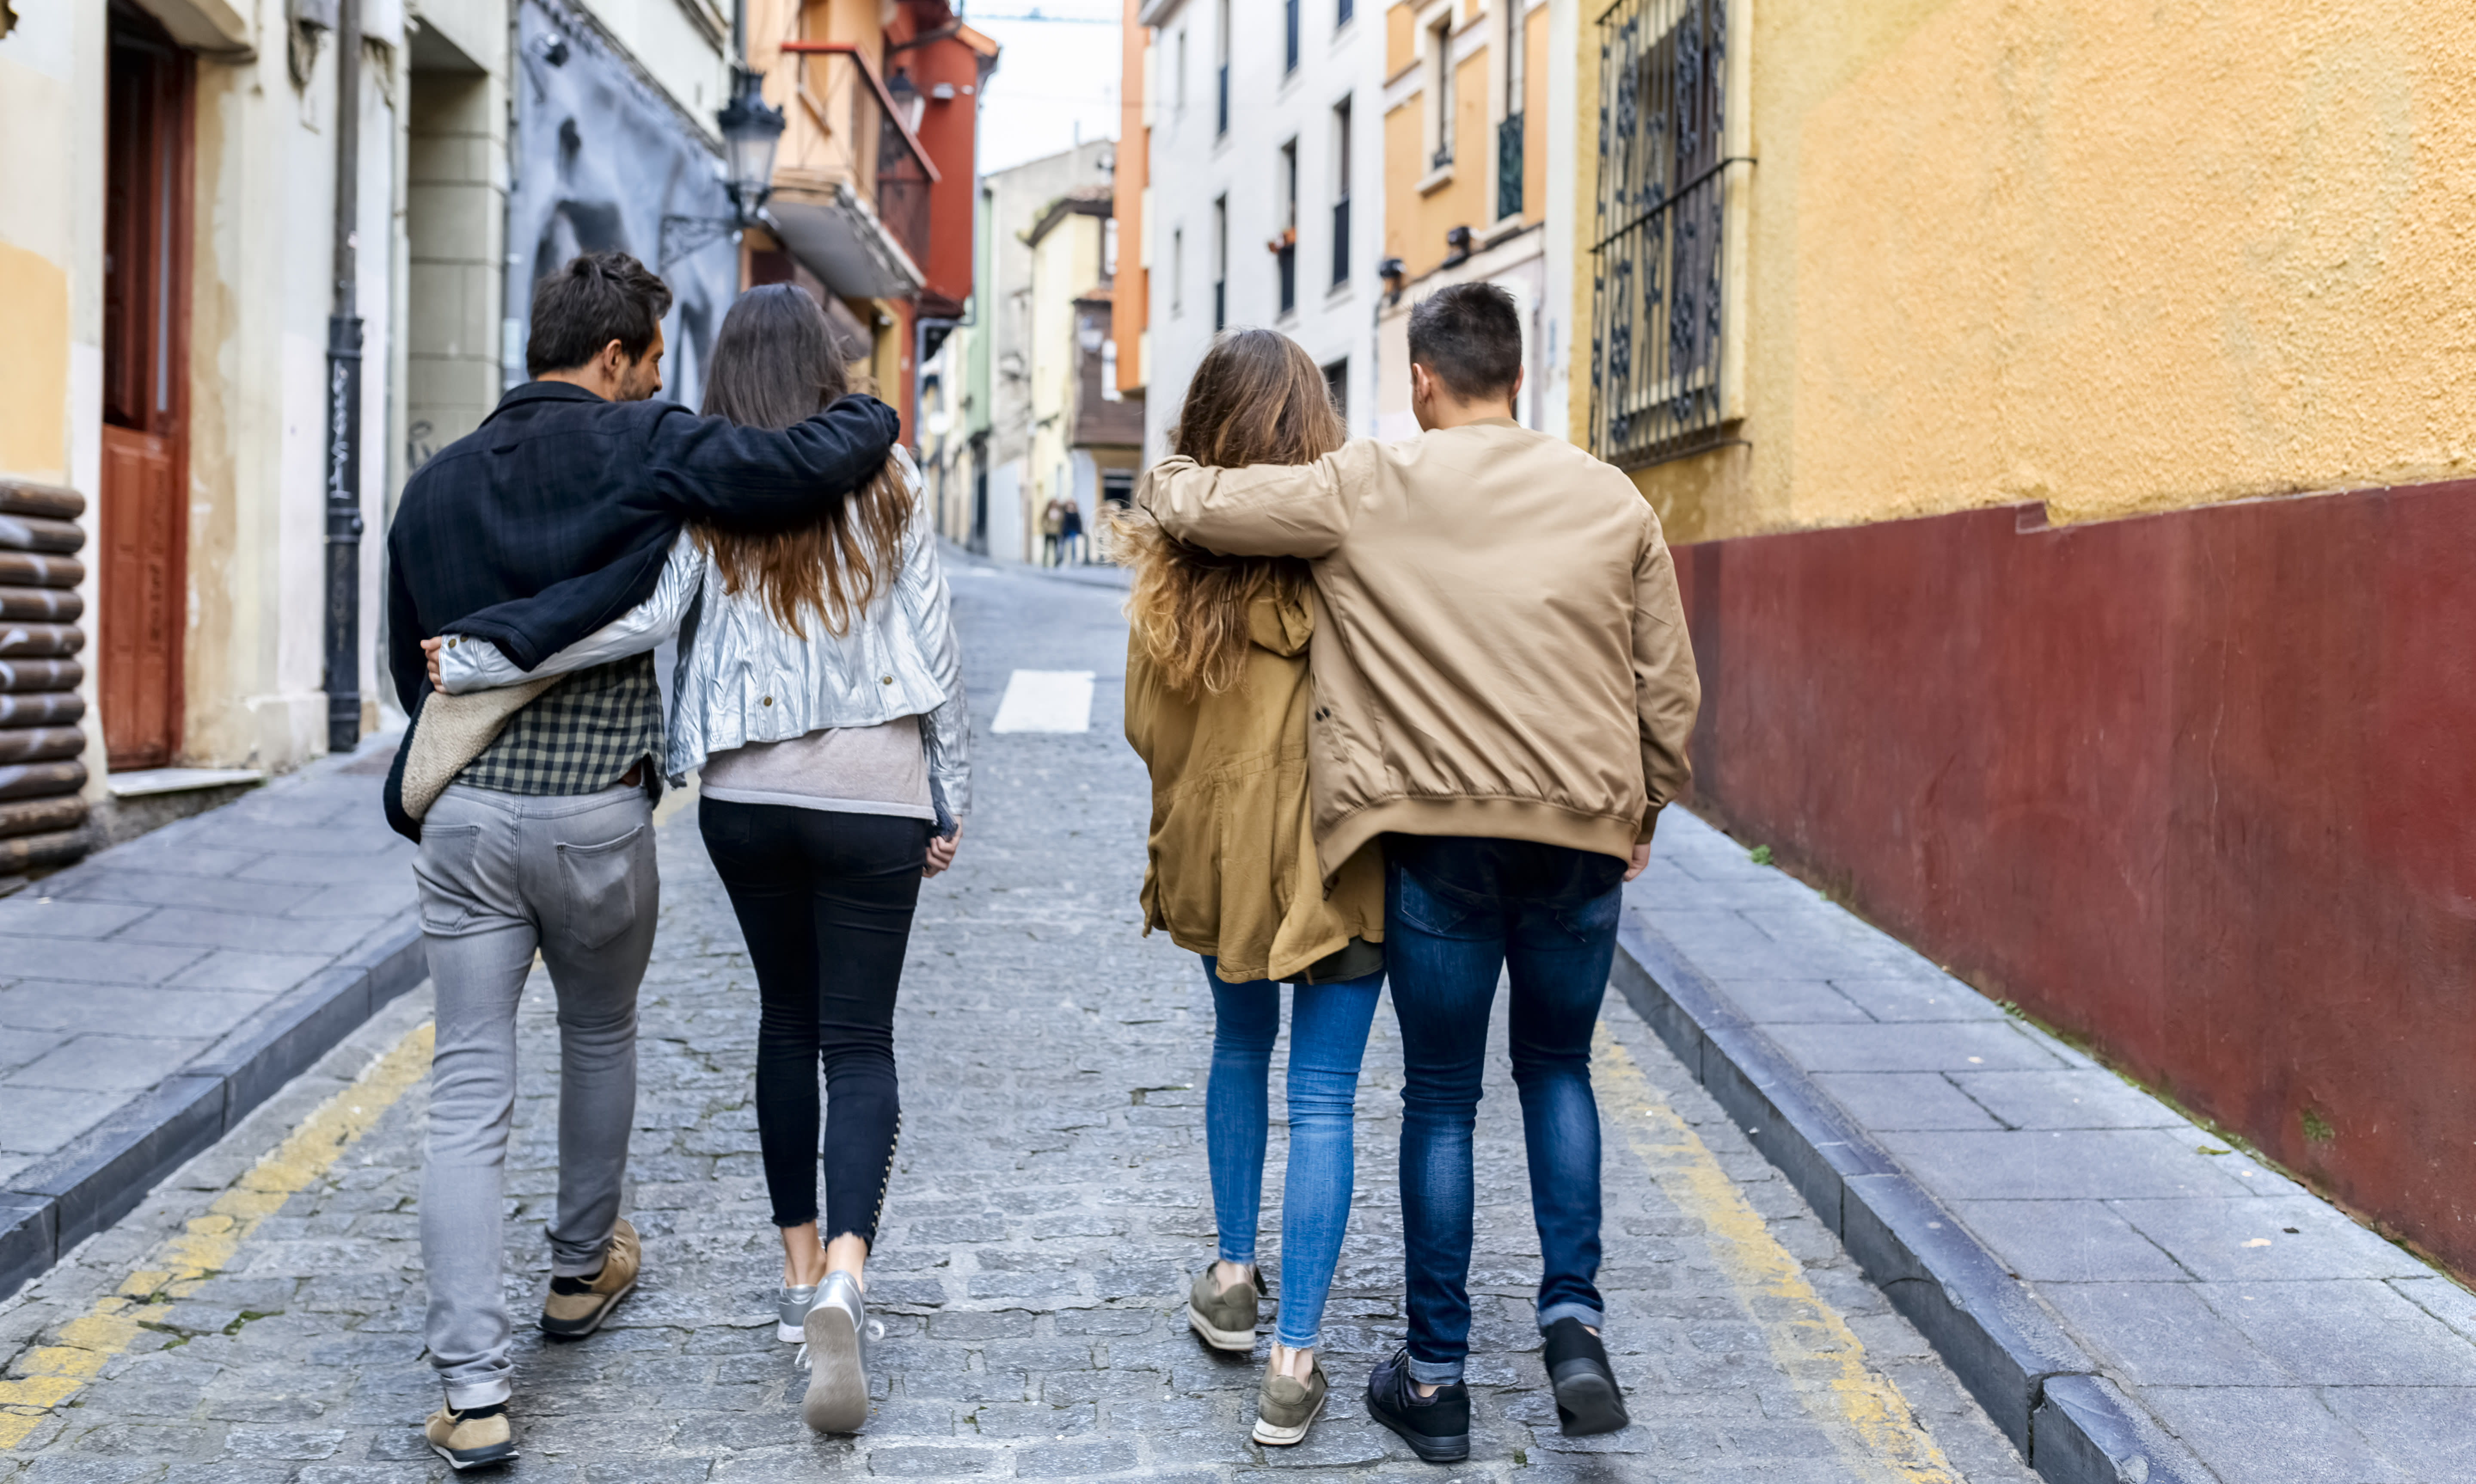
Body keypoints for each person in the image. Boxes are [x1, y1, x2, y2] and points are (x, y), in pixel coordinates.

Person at [1137, 282, 1701, 1464]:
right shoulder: (1611, 496)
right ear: (1524, 372)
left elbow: (1217, 504)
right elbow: (1669, 682)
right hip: (1583, 836)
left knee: (1441, 1094)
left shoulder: (1377, 486)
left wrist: (1165, 482)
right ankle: (1573, 1325)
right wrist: (1645, 803)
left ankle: (1434, 1376)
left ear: (1426, 382)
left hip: (1438, 838)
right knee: (1558, 1069)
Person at [427, 283, 968, 1441]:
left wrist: (480, 657)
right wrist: (946, 793)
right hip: (874, 786)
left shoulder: (705, 497)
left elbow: (628, 620)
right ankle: (847, 1280)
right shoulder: (891, 479)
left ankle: (793, 1277)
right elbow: (937, 648)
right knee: (859, 1040)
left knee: (786, 1020)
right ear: (831, 369)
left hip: (746, 793)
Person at [1113, 330, 1387, 1449]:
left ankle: (1233, 1277)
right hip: (1338, 860)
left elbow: (1142, 725)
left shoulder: (1171, 572)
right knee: (1323, 1095)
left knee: (1237, 1048)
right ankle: (1293, 1363)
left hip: (1220, 864)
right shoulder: (1352, 555)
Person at [1042, 494, 1069, 565]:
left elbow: (1061, 521)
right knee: (1047, 549)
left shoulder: (1060, 512)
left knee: (1056, 549)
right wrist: (1046, 527)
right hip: (1048, 532)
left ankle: (1055, 563)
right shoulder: (1047, 511)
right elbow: (1043, 520)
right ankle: (1045, 563)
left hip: (1056, 532)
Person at [1060, 497, 1085, 564]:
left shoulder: (1076, 513)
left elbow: (1079, 523)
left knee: (1073, 547)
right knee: (1065, 547)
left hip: (1073, 532)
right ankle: (1064, 560)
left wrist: (1080, 531)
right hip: (1065, 532)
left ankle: (1073, 560)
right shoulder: (1064, 513)